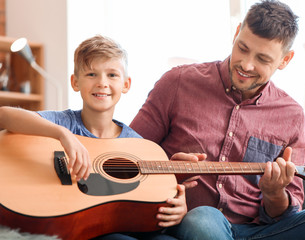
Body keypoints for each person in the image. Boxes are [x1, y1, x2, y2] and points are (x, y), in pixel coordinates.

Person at [130, 0, 305, 239]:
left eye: (262, 59)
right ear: (236, 32)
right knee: (203, 218)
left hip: (260, 231)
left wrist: (274, 194)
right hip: (195, 224)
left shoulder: (291, 115)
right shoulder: (177, 83)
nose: (246, 64)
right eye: (243, 48)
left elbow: (287, 213)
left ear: (285, 60)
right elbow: (128, 155)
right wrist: (170, 171)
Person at [0, 35, 184, 240]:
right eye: (91, 74)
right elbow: (4, 115)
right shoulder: (64, 123)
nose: (102, 83)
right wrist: (63, 135)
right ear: (75, 82)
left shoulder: (137, 145)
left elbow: (153, 195)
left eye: (112, 75)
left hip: (115, 223)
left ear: (126, 84)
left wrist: (177, 202)